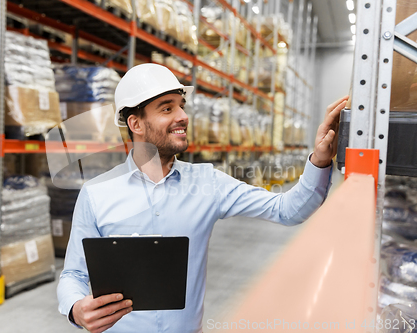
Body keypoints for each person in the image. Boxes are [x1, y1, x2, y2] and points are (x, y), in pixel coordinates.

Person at [57, 63, 348, 333]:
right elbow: (73, 273)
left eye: (181, 106)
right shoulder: (96, 194)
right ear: (136, 123)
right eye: (166, 108)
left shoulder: (208, 183)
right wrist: (75, 308)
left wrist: (320, 160)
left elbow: (287, 209)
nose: (182, 116)